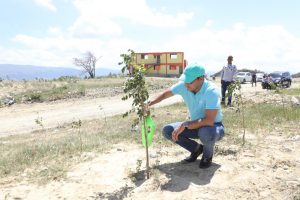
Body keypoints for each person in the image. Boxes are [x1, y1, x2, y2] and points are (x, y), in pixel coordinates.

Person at [146, 65, 224, 168]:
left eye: (189, 81)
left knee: (205, 132)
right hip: (196, 125)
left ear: (201, 78)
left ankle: (207, 156)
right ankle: (196, 149)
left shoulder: (211, 91)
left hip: (214, 127)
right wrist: (148, 103)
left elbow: (209, 120)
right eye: (185, 80)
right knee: (168, 130)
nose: (186, 84)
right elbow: (165, 94)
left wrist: (186, 124)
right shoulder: (184, 85)